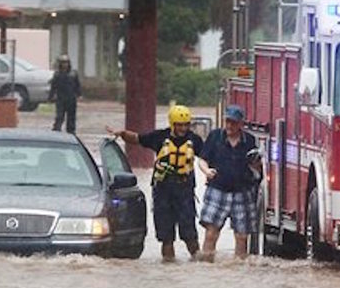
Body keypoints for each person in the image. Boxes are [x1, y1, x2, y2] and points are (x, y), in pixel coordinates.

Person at [106, 105, 204, 262]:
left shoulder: (194, 140)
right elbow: (138, 139)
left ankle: (198, 262)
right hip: (163, 191)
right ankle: (168, 265)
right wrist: (122, 134)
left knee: (189, 233)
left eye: (186, 124)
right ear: (172, 124)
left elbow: (207, 157)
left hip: (184, 191)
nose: (183, 128)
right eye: (180, 124)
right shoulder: (159, 137)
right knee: (166, 236)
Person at [198, 105, 261, 261]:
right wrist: (206, 171)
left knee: (241, 236)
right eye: (227, 121)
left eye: (233, 123)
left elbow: (256, 167)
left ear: (241, 124)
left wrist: (256, 167)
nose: (229, 126)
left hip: (243, 192)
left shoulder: (250, 141)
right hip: (217, 190)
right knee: (211, 233)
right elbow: (202, 160)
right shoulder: (214, 137)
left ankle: (239, 268)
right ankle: (206, 265)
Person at [49, 54, 81, 134]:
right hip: (61, 99)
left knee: (71, 117)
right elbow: (53, 86)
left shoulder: (73, 74)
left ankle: (71, 132)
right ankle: (56, 130)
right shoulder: (57, 74)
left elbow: (77, 85)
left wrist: (79, 94)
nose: (64, 65)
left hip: (71, 99)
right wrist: (51, 96)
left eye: (66, 62)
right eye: (63, 63)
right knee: (59, 116)